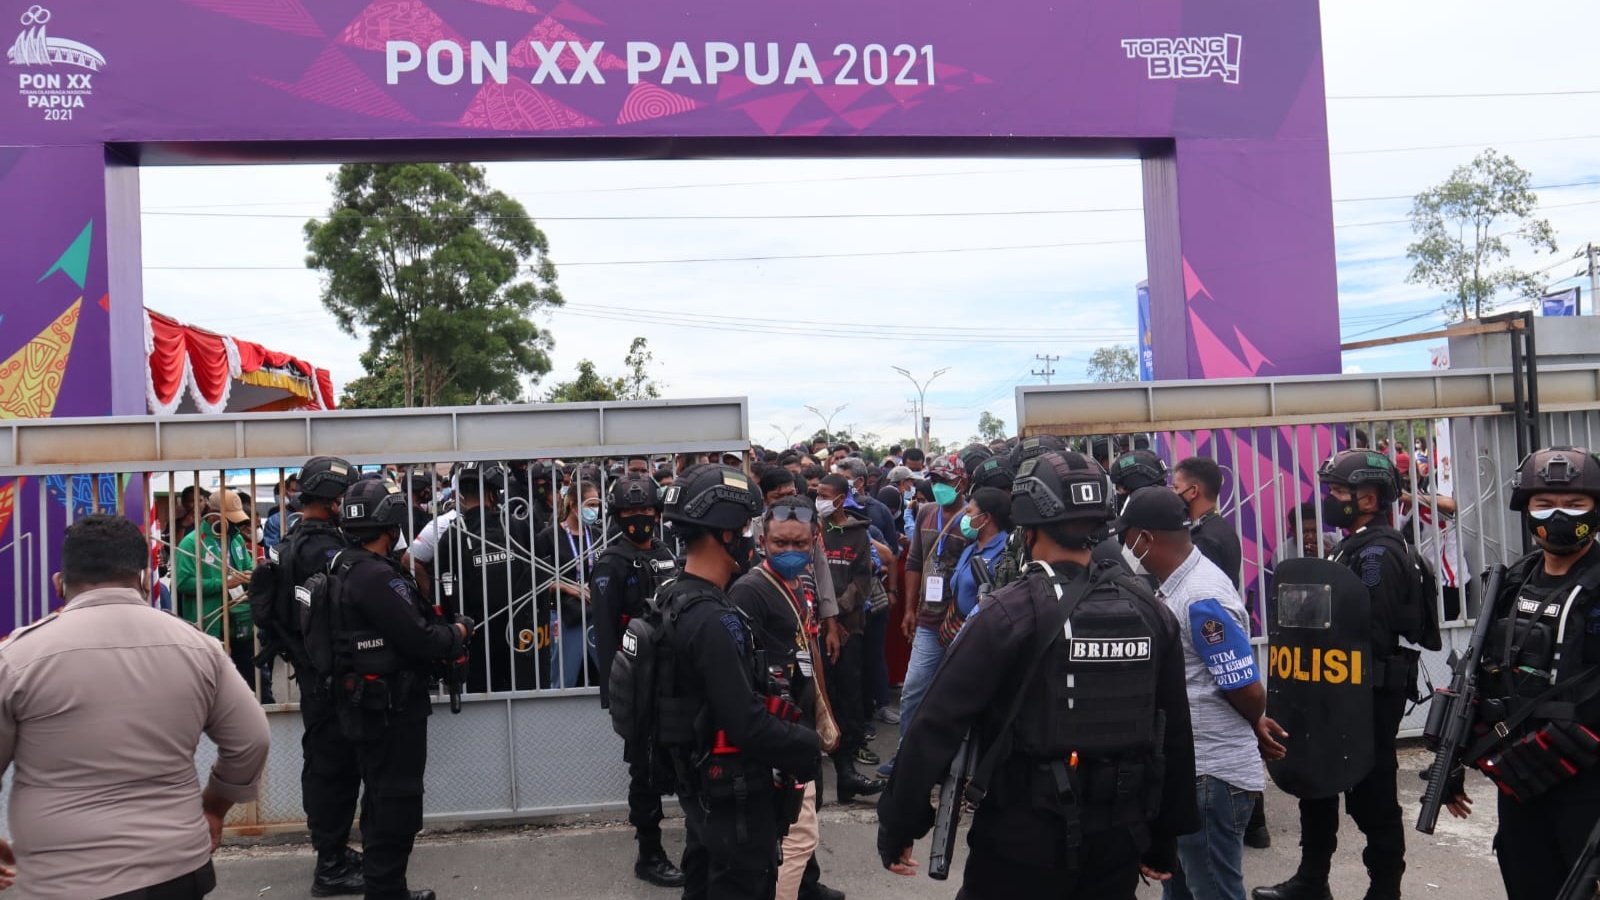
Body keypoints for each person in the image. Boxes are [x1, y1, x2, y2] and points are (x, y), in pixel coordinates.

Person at [876, 450, 1199, 897]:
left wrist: (900, 823)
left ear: (1026, 528)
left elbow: (936, 724)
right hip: (1117, 838)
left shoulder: (1007, 613)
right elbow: (1174, 733)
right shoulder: (1150, 611)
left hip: (1019, 838)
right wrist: (1164, 837)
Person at [0, 514, 271, 899]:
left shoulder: (17, 659)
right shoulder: (198, 648)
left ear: (59, 584)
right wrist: (214, 807)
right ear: (146, 579)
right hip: (177, 867)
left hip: (62, 878)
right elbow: (252, 740)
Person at [1253, 450, 1419, 900]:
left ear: (1368, 498)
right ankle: (1312, 880)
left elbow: (1371, 634)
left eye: (1339, 492)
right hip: (1331, 688)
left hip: (1364, 696)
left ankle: (1384, 890)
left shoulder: (1377, 554)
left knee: (1373, 796)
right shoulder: (1353, 543)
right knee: (1314, 780)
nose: (1330, 499)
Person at [1442, 447, 1600, 900]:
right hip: (1520, 776)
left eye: (1575, 505)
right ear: (1526, 510)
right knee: (1527, 880)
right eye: (1544, 504)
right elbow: (1481, 674)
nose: (1558, 515)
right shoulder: (1513, 582)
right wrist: (1455, 756)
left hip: (1586, 780)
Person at [656, 464, 821, 897]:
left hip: (704, 793)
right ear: (726, 532)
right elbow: (743, 720)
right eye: (747, 526)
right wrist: (805, 746)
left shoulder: (673, 597)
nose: (752, 537)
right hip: (732, 800)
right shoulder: (712, 617)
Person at [1116, 488, 1271, 900]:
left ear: (1145, 539)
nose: (1123, 547)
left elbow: (1247, 690)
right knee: (1182, 889)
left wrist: (1255, 718)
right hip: (1195, 772)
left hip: (1210, 773)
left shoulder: (1200, 596)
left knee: (1214, 891)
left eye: (1126, 537)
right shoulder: (1179, 585)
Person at [332, 478, 473, 900]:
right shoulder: (376, 576)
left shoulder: (342, 564)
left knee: (380, 798)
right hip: (391, 707)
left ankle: (388, 889)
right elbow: (420, 639)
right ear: (391, 526)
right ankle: (386, 892)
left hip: (367, 703)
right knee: (396, 803)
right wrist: (459, 632)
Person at [729, 497, 846, 900]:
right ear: (763, 539)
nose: (791, 552)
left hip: (801, 721)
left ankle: (805, 888)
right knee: (796, 834)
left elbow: (808, 651)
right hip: (778, 731)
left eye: (800, 544)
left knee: (802, 822)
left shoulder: (804, 583)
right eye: (781, 543)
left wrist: (823, 710)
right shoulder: (749, 592)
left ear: (816, 540)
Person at [590, 472, 685, 889]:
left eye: (646, 510)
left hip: (675, 679)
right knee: (643, 771)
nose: (639, 518)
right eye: (630, 511)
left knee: (684, 761)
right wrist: (615, 690)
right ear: (617, 515)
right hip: (640, 681)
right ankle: (650, 853)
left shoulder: (667, 553)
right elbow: (606, 633)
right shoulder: (611, 562)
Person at [280, 456, 366, 897]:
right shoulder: (322, 549)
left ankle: (334, 852)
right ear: (334, 501)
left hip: (315, 672)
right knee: (332, 769)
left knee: (330, 766)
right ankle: (330, 865)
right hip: (329, 676)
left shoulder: (295, 541)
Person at [883, 454, 969, 777]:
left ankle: (952, 763)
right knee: (914, 689)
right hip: (929, 621)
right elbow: (916, 561)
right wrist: (909, 609)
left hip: (961, 622)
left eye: (945, 482)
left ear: (962, 482)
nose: (940, 487)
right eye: (935, 481)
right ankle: (907, 755)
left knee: (955, 693)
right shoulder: (926, 513)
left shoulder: (973, 518)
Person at [434, 462, 538, 694]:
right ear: (493, 494)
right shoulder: (515, 525)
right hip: (519, 631)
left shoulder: (453, 534)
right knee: (522, 690)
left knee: (480, 694)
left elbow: (444, 588)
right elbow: (536, 574)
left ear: (461, 495)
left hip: (473, 633)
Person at [816, 473, 887, 802]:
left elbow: (863, 580)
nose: (820, 500)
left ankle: (848, 763)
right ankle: (830, 762)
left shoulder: (860, 534)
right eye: (817, 494)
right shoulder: (814, 531)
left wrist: (839, 612)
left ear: (841, 499)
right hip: (817, 625)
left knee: (849, 693)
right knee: (821, 693)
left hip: (851, 626)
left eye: (825, 495)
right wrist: (827, 616)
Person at [174, 488, 261, 697]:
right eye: (230, 519)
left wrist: (250, 575)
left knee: (251, 682)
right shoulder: (192, 542)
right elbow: (183, 583)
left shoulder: (236, 539)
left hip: (241, 620)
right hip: (209, 622)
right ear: (212, 515)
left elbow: (248, 566)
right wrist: (223, 583)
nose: (234, 524)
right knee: (213, 687)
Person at [1174, 457, 1241, 589]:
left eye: (1176, 488)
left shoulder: (1205, 539)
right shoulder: (1221, 528)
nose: (1174, 494)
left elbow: (1199, 591)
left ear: (1193, 491)